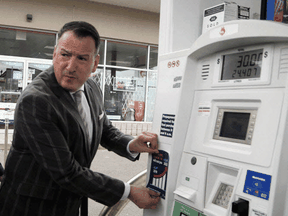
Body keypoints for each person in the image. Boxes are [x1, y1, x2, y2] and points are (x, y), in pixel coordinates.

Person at [0, 21, 160, 216]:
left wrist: (131, 144)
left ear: (94, 63)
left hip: (69, 202)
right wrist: (129, 192)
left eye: (82, 58)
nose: (70, 66)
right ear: (54, 54)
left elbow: (104, 129)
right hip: (31, 207)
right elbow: (66, 172)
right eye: (65, 54)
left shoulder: (91, 88)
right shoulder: (37, 100)